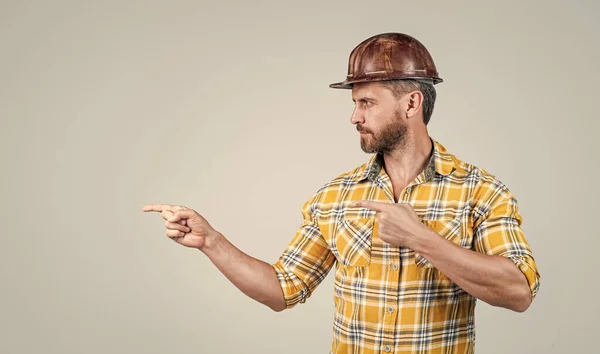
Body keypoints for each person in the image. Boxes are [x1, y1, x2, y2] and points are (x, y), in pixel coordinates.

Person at [143, 32, 540, 354]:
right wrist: (211, 241)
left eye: (367, 102)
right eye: (354, 103)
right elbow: (283, 290)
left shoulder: (480, 192)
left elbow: (518, 291)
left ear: (412, 103)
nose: (355, 116)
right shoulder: (335, 198)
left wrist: (420, 238)